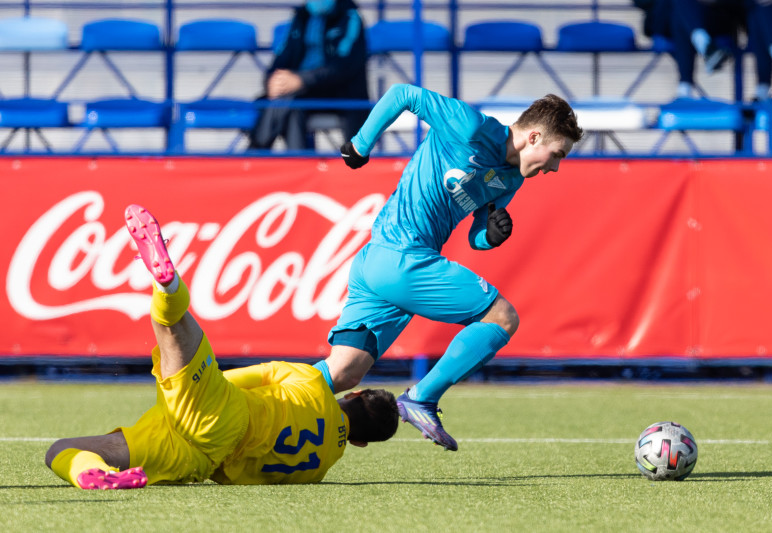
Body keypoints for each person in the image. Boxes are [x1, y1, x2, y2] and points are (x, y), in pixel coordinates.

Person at [44, 204, 398, 489]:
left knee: (175, 330)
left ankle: (167, 287)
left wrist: (197, 385)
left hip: (224, 415)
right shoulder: (320, 468)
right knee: (62, 449)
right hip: (199, 458)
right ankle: (89, 475)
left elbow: (239, 379)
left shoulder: (310, 381)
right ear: (359, 442)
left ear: (354, 395)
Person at [315, 83, 583, 451]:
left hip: (380, 263)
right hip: (402, 257)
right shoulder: (471, 126)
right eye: (557, 154)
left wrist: (490, 236)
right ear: (534, 136)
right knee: (502, 318)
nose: (554, 167)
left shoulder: (511, 177)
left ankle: (253, 396)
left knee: (344, 371)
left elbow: (476, 233)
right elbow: (402, 94)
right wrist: (362, 143)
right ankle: (421, 398)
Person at [248, 0, 369, 150]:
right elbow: (281, 58)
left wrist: (302, 80)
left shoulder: (350, 17)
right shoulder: (300, 18)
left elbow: (343, 67)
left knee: (288, 100)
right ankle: (300, 164)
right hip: (299, 94)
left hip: (338, 94)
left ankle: (255, 151)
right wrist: (272, 81)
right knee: (292, 106)